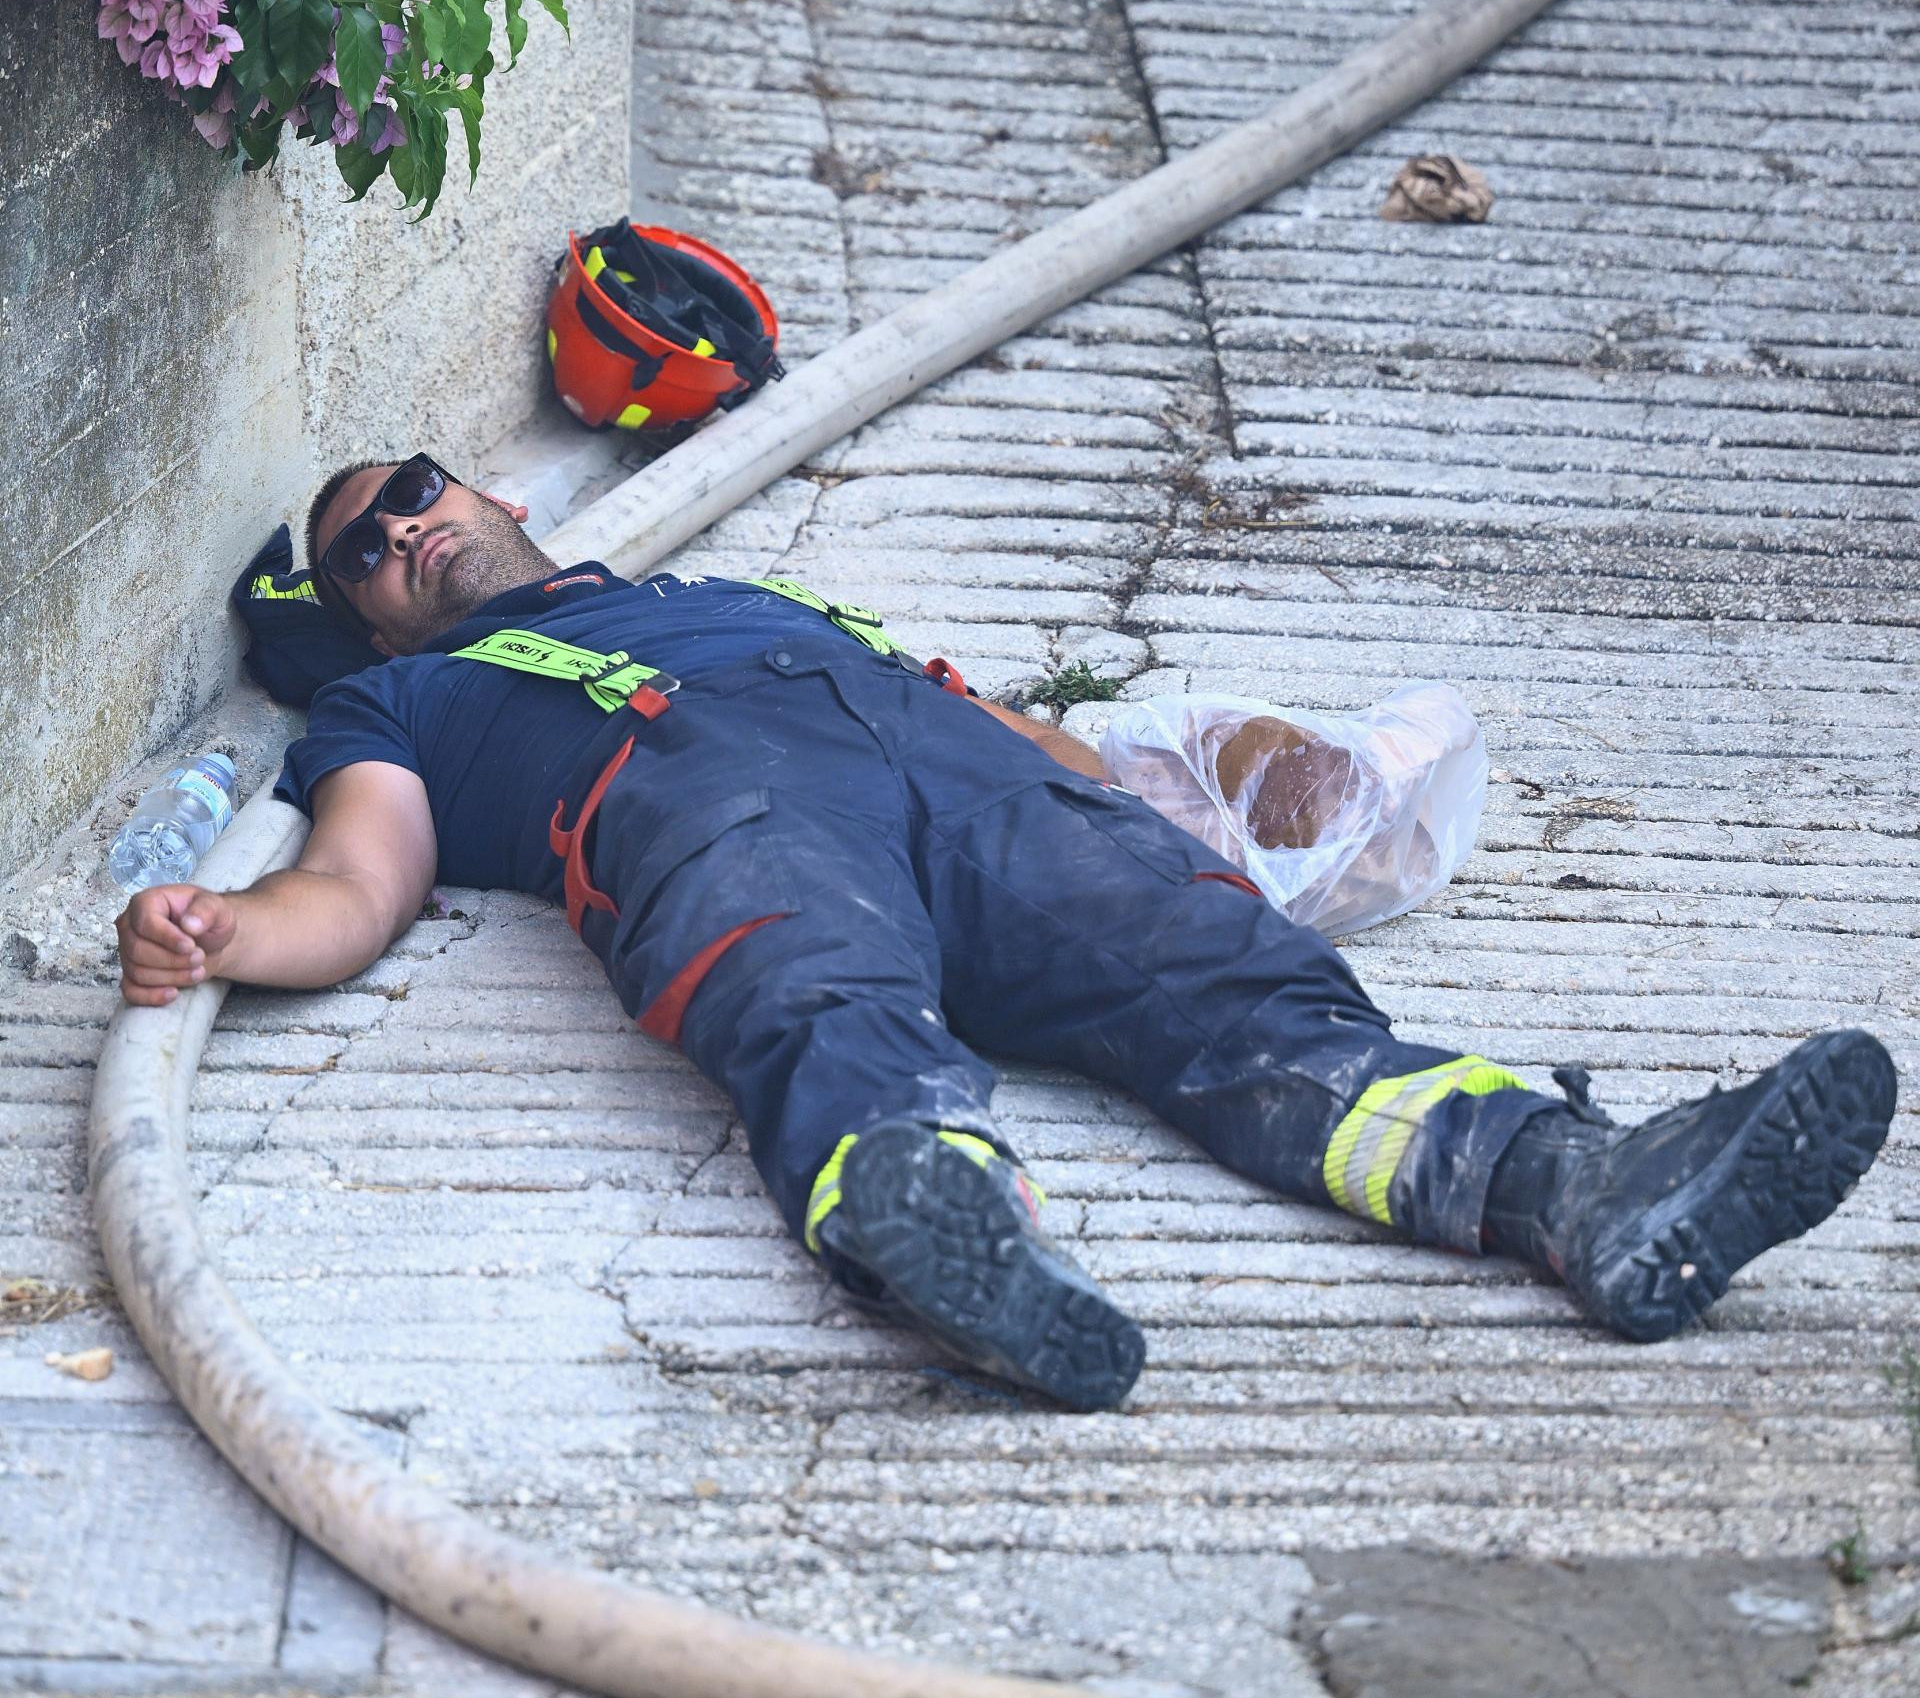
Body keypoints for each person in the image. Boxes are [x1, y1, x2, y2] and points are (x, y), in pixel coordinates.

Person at [117, 453, 1898, 1412]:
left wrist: (1195, 824)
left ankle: (1584, 1188)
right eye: (367, 551)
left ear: (503, 498)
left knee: (1240, 990)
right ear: (367, 623)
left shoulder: (728, 588)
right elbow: (359, 885)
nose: (406, 531)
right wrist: (227, 933)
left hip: (987, 801)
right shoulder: (403, 708)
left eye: (416, 490)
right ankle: (950, 1237)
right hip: (730, 824)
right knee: (820, 1003)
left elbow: (1023, 732)